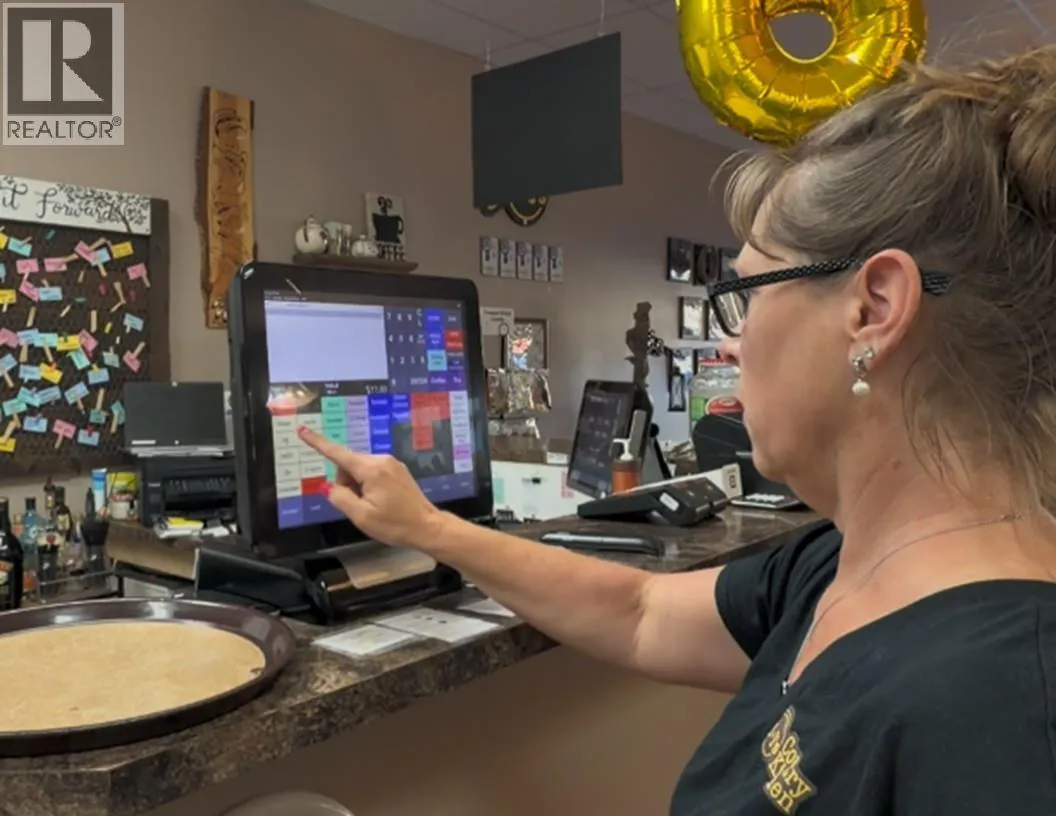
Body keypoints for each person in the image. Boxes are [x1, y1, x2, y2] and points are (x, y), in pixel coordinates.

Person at [298, 45, 1056, 815]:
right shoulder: (836, 563)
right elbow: (640, 613)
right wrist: (427, 528)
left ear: (873, 309)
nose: (730, 344)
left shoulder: (1008, 714)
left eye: (747, 294)